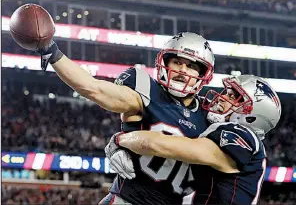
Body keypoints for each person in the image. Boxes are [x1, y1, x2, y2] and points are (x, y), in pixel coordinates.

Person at [15, 30, 215, 204]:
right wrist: (53, 52)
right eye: (177, 62)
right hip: (128, 200)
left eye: (191, 66)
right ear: (164, 62)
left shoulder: (210, 117)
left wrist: (119, 140)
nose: (182, 70)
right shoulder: (146, 92)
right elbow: (94, 89)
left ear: (204, 73)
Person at [107, 75, 282, 205]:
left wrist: (120, 139)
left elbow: (160, 144)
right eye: (227, 93)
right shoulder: (222, 134)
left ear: (251, 116)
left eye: (233, 97)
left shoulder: (243, 135)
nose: (223, 98)